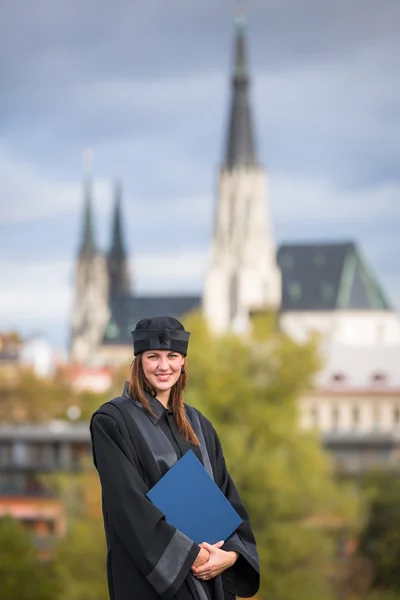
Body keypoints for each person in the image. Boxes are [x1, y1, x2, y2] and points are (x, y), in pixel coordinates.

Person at [90, 316, 260, 600]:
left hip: (211, 581)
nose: (163, 365)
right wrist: (192, 556)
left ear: (183, 362)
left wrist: (230, 555)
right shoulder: (113, 421)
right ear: (138, 361)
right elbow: (128, 507)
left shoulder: (199, 425)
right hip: (150, 582)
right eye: (153, 356)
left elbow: (226, 498)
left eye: (172, 356)